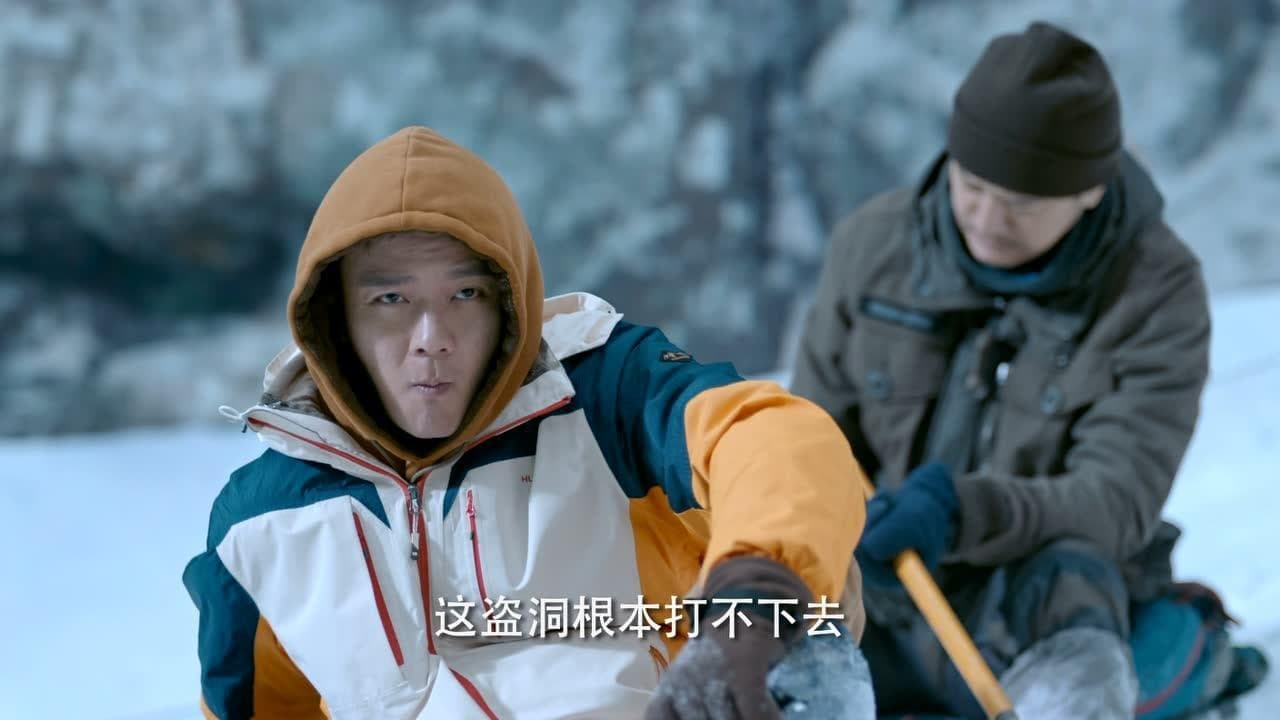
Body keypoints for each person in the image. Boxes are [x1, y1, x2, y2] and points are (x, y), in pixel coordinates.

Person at [183, 126, 876, 719]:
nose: (431, 337)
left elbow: (775, 441)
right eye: (391, 299)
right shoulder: (259, 525)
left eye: (465, 293)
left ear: (510, 303)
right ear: (335, 319)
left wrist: (757, 595)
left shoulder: (609, 398)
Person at [791, 20, 1267, 720]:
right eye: (972, 185)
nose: (987, 218)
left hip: (1043, 589)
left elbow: (1114, 500)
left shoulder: (1155, 293)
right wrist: (855, 527)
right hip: (883, 572)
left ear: (1089, 191)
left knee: (1101, 661)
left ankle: (1194, 659)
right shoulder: (873, 246)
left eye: (1021, 203)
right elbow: (811, 434)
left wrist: (962, 513)